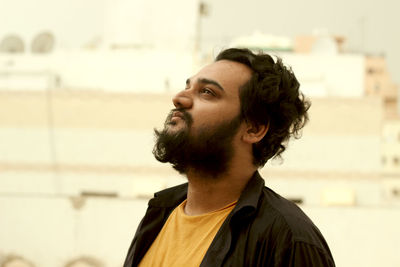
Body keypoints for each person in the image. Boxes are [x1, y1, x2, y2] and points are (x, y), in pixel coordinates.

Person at [123, 48, 335, 267]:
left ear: (253, 129)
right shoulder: (159, 213)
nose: (179, 98)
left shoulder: (290, 239)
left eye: (207, 92)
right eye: (187, 86)